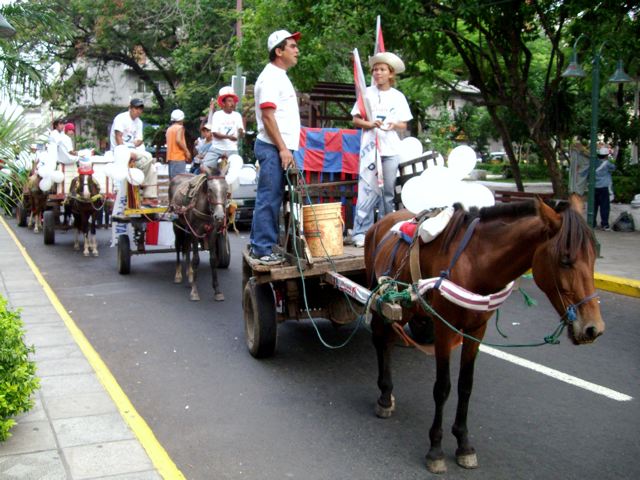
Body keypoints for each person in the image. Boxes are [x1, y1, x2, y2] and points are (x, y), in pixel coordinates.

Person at [249, 29, 301, 265]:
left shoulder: (279, 75)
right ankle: (261, 248)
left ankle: (264, 245)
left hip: (280, 146)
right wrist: (282, 148)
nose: (296, 49)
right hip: (273, 147)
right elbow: (268, 117)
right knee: (269, 198)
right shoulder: (270, 77)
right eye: (291, 46)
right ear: (278, 51)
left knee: (275, 198)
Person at [350, 51, 413, 248]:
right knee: (367, 190)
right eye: (375, 69)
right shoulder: (366, 93)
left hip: (390, 149)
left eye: (382, 69)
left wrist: (394, 124)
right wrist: (370, 124)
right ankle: (361, 232)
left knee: (388, 191)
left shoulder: (398, 97)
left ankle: (388, 229)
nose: (378, 73)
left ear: (390, 74)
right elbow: (355, 119)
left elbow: (404, 124)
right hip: (370, 149)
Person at [109, 98, 158, 206]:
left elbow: (139, 140)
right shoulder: (121, 118)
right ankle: (140, 183)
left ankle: (148, 197)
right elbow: (118, 137)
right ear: (130, 108)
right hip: (119, 150)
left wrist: (136, 144)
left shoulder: (139, 122)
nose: (138, 111)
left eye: (140, 109)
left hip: (133, 150)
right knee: (148, 156)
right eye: (136, 108)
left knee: (153, 168)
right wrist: (124, 152)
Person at [209, 86, 244, 162]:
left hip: (232, 149)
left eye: (233, 101)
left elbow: (241, 135)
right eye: (229, 101)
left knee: (237, 166)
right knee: (205, 167)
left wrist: (241, 133)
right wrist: (229, 137)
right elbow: (214, 133)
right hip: (217, 149)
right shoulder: (217, 115)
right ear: (223, 103)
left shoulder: (237, 115)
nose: (232, 104)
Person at [594, 145, 616, 231]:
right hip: (604, 187)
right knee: (604, 206)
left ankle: (592, 223)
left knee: (594, 206)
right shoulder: (608, 164)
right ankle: (605, 224)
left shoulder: (595, 163)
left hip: (595, 187)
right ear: (606, 155)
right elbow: (614, 168)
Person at [165, 109, 191, 178]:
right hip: (178, 158)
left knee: (173, 182)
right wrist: (187, 151)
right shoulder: (180, 128)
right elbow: (178, 140)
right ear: (181, 119)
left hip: (170, 158)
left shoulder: (169, 129)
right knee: (180, 181)